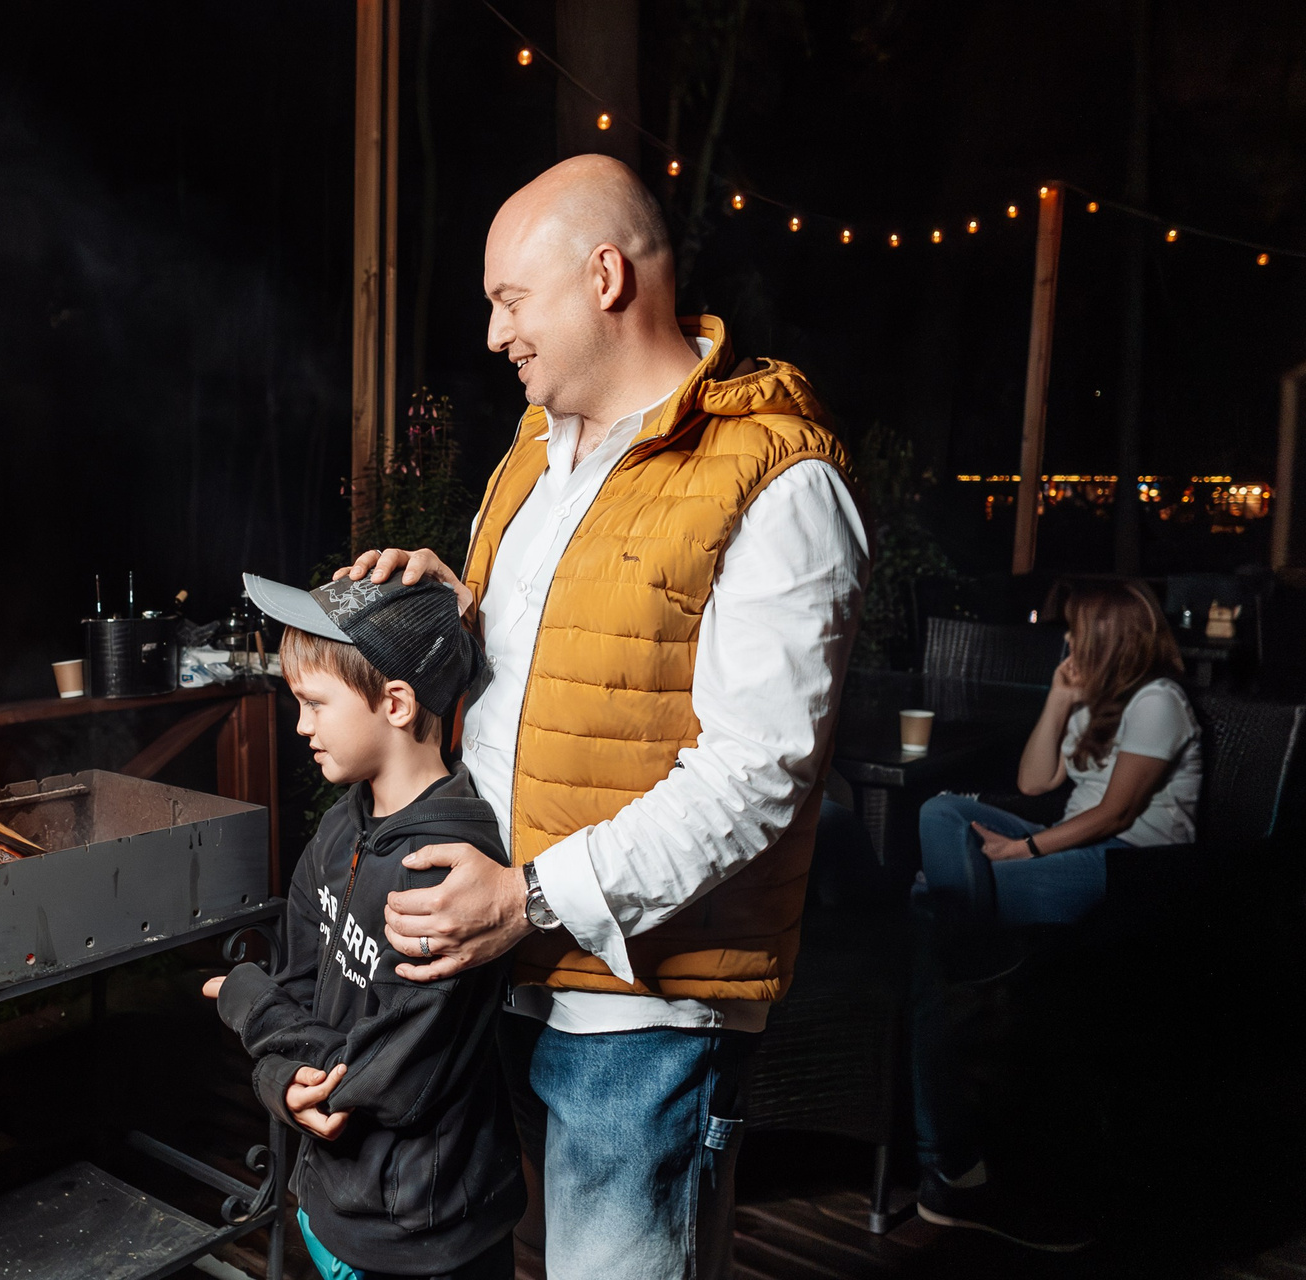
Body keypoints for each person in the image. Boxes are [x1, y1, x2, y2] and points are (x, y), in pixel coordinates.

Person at [335, 154, 868, 1280]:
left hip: (643, 1014)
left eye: (510, 300)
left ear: (606, 277)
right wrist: (449, 607)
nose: (495, 334)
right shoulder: (534, 453)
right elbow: (563, 661)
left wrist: (525, 897)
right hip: (501, 971)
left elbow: (754, 779)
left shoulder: (779, 482)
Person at [203, 571, 523, 1280]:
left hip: (426, 1238)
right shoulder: (337, 830)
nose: (300, 726)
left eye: (315, 703)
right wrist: (279, 1079)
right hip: (330, 1203)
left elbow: (392, 1075)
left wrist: (250, 1008)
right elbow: (297, 982)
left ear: (396, 703)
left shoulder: (446, 871)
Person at [910, 578, 1201, 1249]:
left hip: (1131, 866)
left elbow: (1117, 813)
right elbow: (1036, 781)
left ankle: (961, 959)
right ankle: (974, 953)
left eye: (1074, 632)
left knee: (925, 907)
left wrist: (1025, 850)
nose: (1065, 641)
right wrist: (1059, 699)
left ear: (1107, 640)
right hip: (1067, 845)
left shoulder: (1159, 700)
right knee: (940, 812)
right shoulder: (1092, 698)